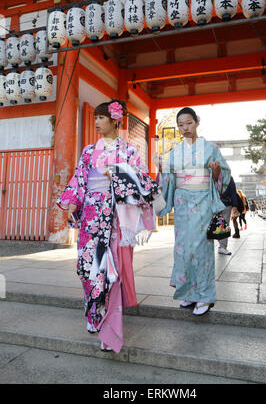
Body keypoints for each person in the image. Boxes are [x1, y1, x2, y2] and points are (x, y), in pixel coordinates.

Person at [57, 99, 158, 353]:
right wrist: (71, 204)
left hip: (115, 218)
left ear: (115, 119)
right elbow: (79, 179)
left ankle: (108, 326)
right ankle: (94, 312)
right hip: (91, 216)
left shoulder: (130, 151)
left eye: (101, 118)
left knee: (111, 270)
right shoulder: (89, 151)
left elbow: (143, 181)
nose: (97, 123)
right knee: (88, 266)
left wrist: (116, 172)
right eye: (95, 119)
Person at [154, 107, 231, 316]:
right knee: (183, 248)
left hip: (203, 200)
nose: (184, 128)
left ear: (197, 122)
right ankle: (188, 292)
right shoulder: (175, 151)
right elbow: (168, 179)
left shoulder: (210, 148)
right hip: (182, 203)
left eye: (188, 123)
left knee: (200, 248)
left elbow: (224, 173)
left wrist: (216, 172)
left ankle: (205, 295)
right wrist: (163, 171)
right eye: (180, 125)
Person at [218, 176, 239, 255]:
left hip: (225, 205)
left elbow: (233, 191)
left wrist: (234, 205)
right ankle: (222, 246)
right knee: (221, 226)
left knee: (224, 226)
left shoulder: (229, 177)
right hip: (218, 204)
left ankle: (222, 246)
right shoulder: (228, 177)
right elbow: (233, 191)